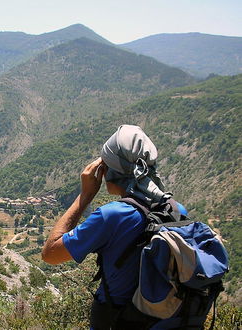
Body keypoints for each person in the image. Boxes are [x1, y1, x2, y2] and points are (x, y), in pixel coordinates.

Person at [41, 125, 187, 329]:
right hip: (164, 321)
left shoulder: (113, 215)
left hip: (118, 321)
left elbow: (50, 254)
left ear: (110, 171)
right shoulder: (175, 210)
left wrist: (85, 196)